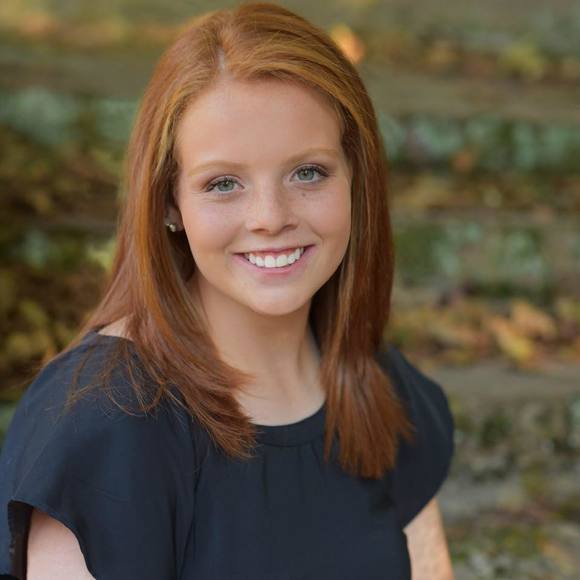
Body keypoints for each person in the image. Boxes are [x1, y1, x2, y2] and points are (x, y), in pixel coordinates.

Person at [0, 2, 456, 579]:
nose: (270, 217)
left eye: (308, 172)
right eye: (222, 183)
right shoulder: (101, 423)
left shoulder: (379, 387)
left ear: (355, 180)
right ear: (169, 202)